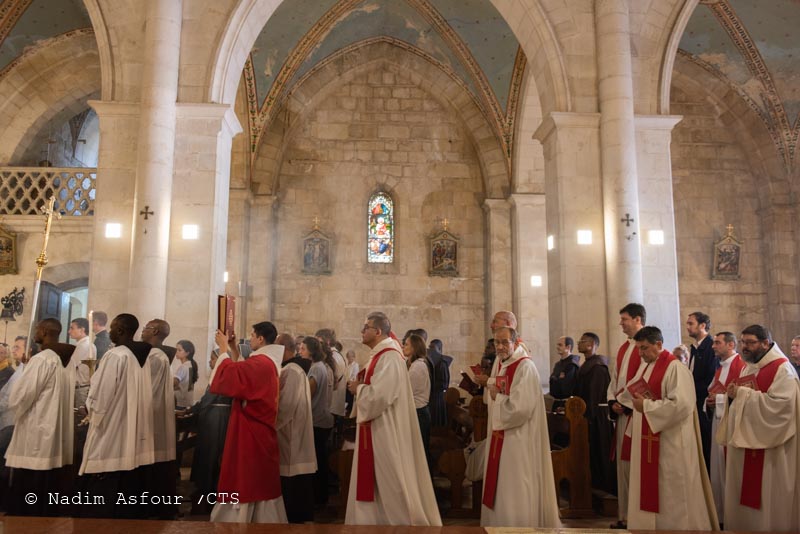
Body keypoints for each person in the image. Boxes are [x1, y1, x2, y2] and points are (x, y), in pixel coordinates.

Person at [345, 312, 440, 526]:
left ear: (378, 331)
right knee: (379, 479)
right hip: (377, 425)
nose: (362, 331)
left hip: (384, 428)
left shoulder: (389, 356)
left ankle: (397, 524)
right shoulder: (382, 355)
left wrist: (358, 388)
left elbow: (381, 395)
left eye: (365, 327)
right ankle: (372, 522)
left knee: (389, 479)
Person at [627, 326, 717, 530]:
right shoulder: (646, 366)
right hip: (650, 436)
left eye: (644, 348)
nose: (641, 354)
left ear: (659, 345)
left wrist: (647, 406)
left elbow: (682, 404)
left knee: (672, 489)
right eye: (638, 349)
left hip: (672, 441)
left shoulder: (675, 368)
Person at [717, 324, 800, 531]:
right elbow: (744, 399)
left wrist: (743, 395)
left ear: (765, 343)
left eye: (750, 343)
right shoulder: (749, 366)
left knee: (769, 493)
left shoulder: (782, 368)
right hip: (747, 443)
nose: (745, 347)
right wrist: (732, 396)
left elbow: (782, 407)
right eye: (743, 342)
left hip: (773, 447)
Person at [481, 326, 560, 527]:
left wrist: (496, 397)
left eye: (504, 342)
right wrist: (495, 395)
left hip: (518, 437)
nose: (500, 347)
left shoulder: (525, 367)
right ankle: (498, 526)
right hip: (501, 434)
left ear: (515, 342)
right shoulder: (501, 363)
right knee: (501, 485)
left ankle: (518, 527)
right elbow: (495, 392)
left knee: (515, 484)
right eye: (496, 342)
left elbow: (520, 409)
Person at [209, 322, 286, 523]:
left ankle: (238, 522)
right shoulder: (266, 362)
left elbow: (230, 377)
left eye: (252, 335)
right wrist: (234, 348)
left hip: (251, 430)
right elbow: (243, 373)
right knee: (258, 480)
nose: (249, 339)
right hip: (259, 429)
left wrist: (223, 348)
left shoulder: (261, 363)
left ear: (261, 339)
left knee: (245, 478)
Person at [79, 313, 153, 519]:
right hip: (131, 424)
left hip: (111, 427)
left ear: (120, 330)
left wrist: (89, 410)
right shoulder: (141, 357)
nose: (109, 331)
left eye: (112, 327)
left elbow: (101, 394)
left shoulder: (116, 355)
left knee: (106, 479)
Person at [5, 319, 75, 516]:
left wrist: (26, 370)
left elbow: (20, 396)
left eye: (37, 329)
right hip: (51, 430)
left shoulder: (42, 359)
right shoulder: (63, 361)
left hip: (35, 430)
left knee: (29, 489)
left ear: (44, 331)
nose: (35, 332)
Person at [607, 302, 645, 529]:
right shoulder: (623, 348)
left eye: (625, 319)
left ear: (638, 319)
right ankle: (625, 515)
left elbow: (645, 379)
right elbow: (615, 379)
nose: (621, 323)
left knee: (634, 465)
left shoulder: (646, 345)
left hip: (636, 415)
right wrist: (613, 401)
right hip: (622, 413)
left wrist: (627, 404)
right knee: (623, 466)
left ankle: (636, 517)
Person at [276, 333, 316, 523]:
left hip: (290, 433)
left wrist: (271, 425)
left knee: (292, 478)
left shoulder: (291, 371)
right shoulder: (293, 368)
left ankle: (294, 518)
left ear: (283, 348)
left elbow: (286, 406)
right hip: (294, 432)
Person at [187, 349, 231, 514]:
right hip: (215, 417)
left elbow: (208, 399)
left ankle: (207, 495)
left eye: (213, 359)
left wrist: (192, 411)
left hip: (216, 419)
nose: (210, 363)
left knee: (210, 457)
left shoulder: (221, 376)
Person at [707, 331, 744, 526]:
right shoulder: (720, 368)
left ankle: (731, 515)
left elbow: (743, 395)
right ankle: (720, 515)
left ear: (731, 345)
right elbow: (713, 389)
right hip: (718, 421)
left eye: (718, 343)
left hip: (732, 424)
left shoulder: (741, 366)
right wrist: (710, 401)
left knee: (727, 467)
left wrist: (718, 400)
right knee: (718, 467)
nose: (714, 346)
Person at [576, 331, 615, 493]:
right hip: (588, 414)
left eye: (583, 341)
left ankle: (604, 486)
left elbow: (594, 394)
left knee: (601, 451)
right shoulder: (588, 364)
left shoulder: (598, 367)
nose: (579, 343)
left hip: (597, 416)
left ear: (591, 345)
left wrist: (587, 417)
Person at [302, 335, 334, 510]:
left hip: (317, 420)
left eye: (303, 349)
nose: (301, 352)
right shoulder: (323, 366)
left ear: (311, 351)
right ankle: (320, 496)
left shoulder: (316, 369)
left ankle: (318, 497)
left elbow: (308, 392)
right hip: (323, 418)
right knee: (320, 459)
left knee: (318, 461)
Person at [687, 311, 718, 472]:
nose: (687, 327)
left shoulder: (710, 347)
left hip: (703, 404)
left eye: (691, 323)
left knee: (706, 446)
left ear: (703, 326)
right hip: (695, 401)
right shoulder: (695, 347)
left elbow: (710, 379)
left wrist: (689, 391)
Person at [404, 334, 431, 469]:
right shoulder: (414, 364)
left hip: (419, 413)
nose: (404, 346)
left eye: (407, 344)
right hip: (417, 412)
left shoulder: (417, 367)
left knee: (420, 455)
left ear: (415, 347)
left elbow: (405, 391)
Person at [68, 317, 96, 408]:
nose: (69, 331)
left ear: (82, 329)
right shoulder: (89, 344)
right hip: (83, 387)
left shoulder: (83, 346)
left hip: (80, 389)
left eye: (72, 328)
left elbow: (70, 366)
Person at [549, 336, 579, 403]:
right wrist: (556, 379)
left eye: (560, 345)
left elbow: (566, 387)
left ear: (568, 347)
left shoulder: (572, 364)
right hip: (556, 401)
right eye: (557, 345)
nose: (557, 347)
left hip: (568, 403)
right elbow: (552, 382)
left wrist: (555, 379)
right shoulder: (558, 364)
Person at [427, 338, 450, 427]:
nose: (430, 350)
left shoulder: (442, 363)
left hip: (437, 398)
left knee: (436, 425)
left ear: (439, 349)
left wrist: (429, 384)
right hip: (431, 396)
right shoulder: (431, 362)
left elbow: (444, 384)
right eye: (429, 347)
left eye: (433, 348)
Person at [173, 339, 198, 408]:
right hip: (188, 402)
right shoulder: (190, 365)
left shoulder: (183, 367)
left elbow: (174, 383)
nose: (176, 352)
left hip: (180, 403)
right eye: (176, 349)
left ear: (187, 353)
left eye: (179, 350)